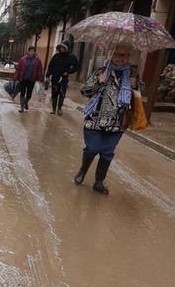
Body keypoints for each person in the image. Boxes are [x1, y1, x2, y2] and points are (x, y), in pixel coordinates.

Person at [74, 44, 134, 195]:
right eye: (117, 54)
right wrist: (99, 82)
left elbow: (139, 95)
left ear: (129, 57)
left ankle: (99, 182)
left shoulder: (132, 75)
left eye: (124, 55)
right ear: (111, 55)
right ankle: (83, 170)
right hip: (95, 118)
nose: (120, 58)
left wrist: (136, 87)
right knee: (92, 149)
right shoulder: (101, 71)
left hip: (117, 122)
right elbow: (84, 91)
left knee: (107, 152)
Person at [46, 42, 80, 115]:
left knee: (62, 93)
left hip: (63, 78)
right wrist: (48, 75)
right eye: (61, 47)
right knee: (54, 93)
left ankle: (59, 109)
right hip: (55, 78)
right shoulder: (56, 56)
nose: (62, 49)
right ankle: (53, 109)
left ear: (67, 48)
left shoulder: (71, 57)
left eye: (64, 47)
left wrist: (68, 72)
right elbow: (50, 66)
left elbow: (76, 67)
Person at [14, 46, 44, 112]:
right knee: (22, 92)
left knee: (29, 94)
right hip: (23, 79)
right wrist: (15, 77)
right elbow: (18, 69)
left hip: (32, 79)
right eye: (30, 51)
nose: (32, 52)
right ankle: (22, 107)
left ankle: (26, 102)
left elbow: (39, 71)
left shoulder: (37, 61)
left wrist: (40, 80)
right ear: (28, 51)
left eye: (33, 51)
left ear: (35, 52)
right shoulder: (23, 59)